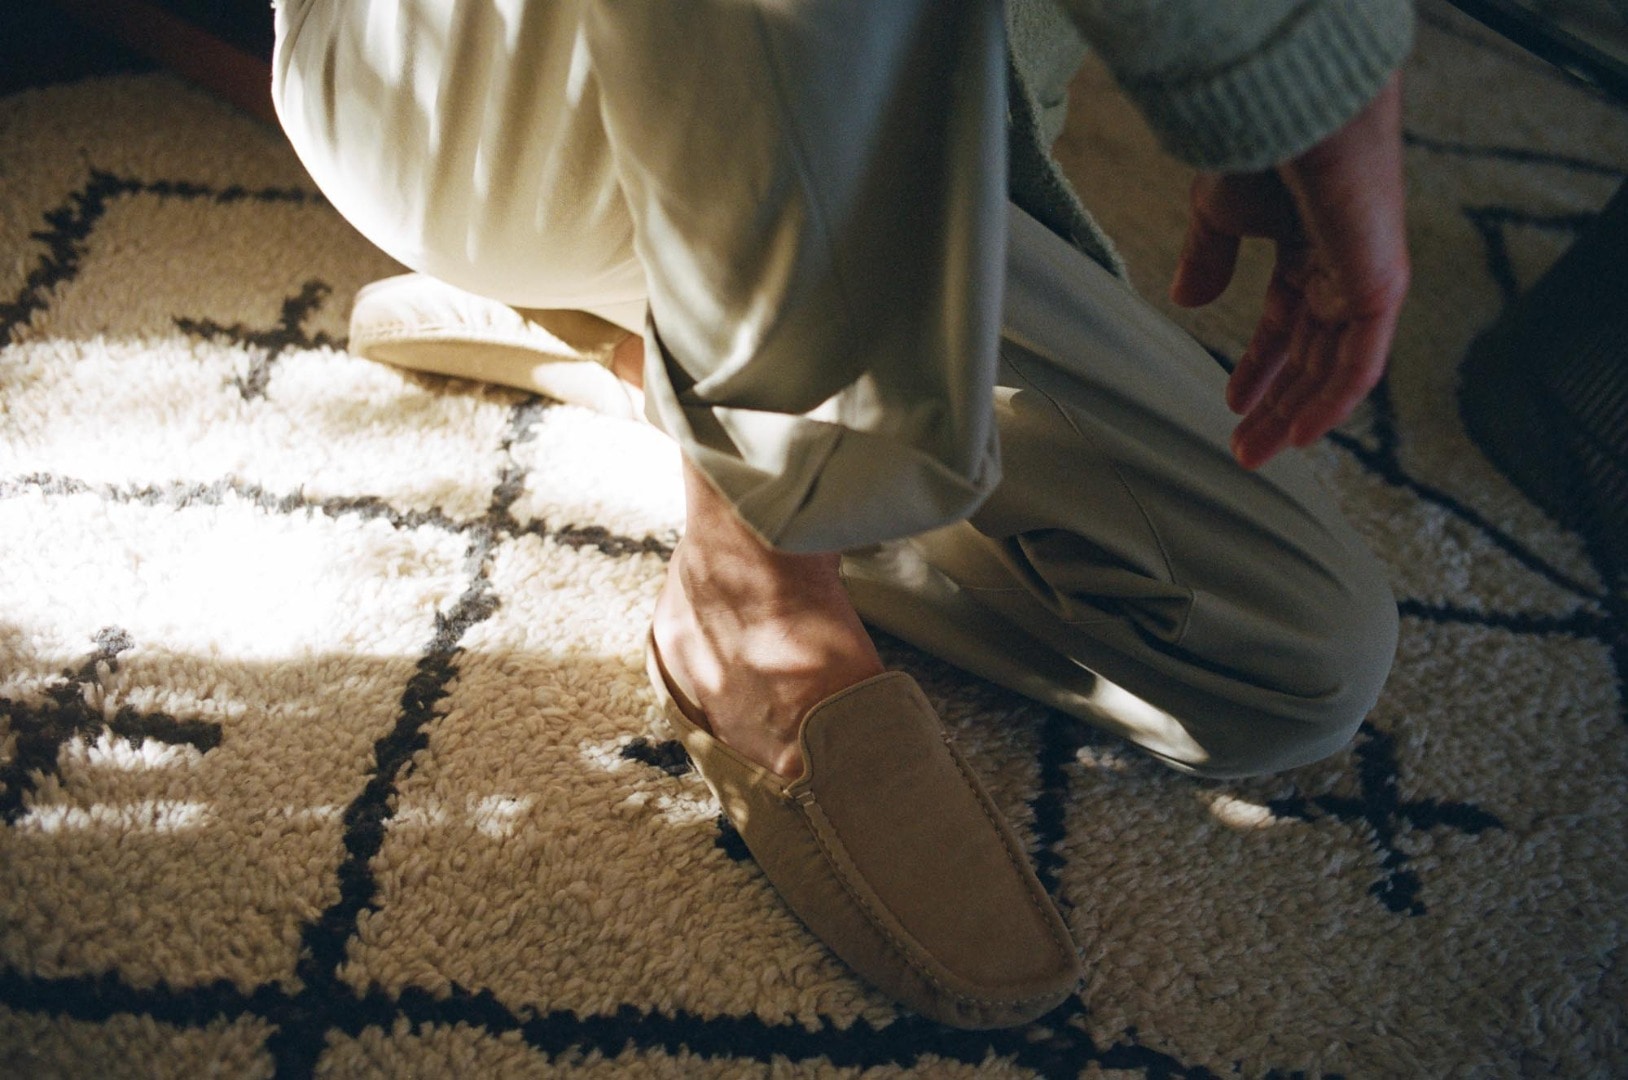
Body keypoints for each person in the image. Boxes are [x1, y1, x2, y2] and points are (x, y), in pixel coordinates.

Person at [271, 0, 1411, 1029]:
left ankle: (651, 357)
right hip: (483, 82)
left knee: (1295, 660)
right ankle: (752, 580)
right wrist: (1312, 83)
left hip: (896, 156)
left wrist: (1291, 78)